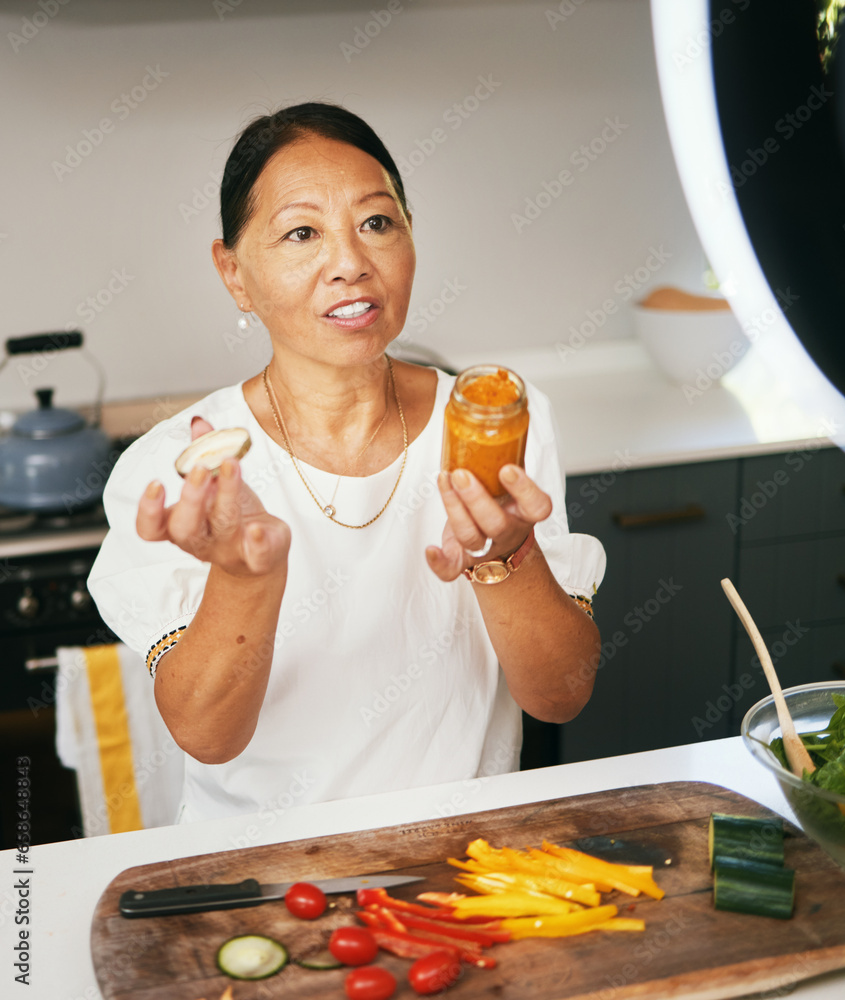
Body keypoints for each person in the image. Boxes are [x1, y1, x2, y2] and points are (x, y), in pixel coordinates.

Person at [88, 102, 606, 825]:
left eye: (377, 223)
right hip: (266, 879)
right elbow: (207, 736)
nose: (351, 264)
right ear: (233, 274)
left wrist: (507, 554)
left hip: (461, 866)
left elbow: (561, 695)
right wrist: (245, 578)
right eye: (302, 233)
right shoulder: (180, 467)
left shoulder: (494, 423)